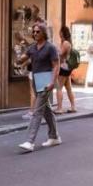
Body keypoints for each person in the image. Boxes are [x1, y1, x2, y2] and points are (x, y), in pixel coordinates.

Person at [15, 22, 62, 153]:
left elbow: (56, 66)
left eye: (37, 31)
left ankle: (30, 141)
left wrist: (52, 82)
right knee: (46, 109)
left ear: (43, 33)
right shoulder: (33, 48)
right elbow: (23, 59)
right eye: (34, 32)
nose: (35, 34)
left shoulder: (50, 48)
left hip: (47, 80)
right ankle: (54, 136)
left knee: (37, 111)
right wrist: (18, 57)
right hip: (36, 80)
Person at [54, 26, 78, 114]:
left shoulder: (65, 43)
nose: (59, 33)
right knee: (68, 88)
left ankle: (59, 108)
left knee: (59, 88)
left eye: (60, 32)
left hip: (64, 67)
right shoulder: (68, 42)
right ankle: (73, 107)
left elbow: (60, 54)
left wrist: (55, 50)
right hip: (68, 68)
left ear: (62, 33)